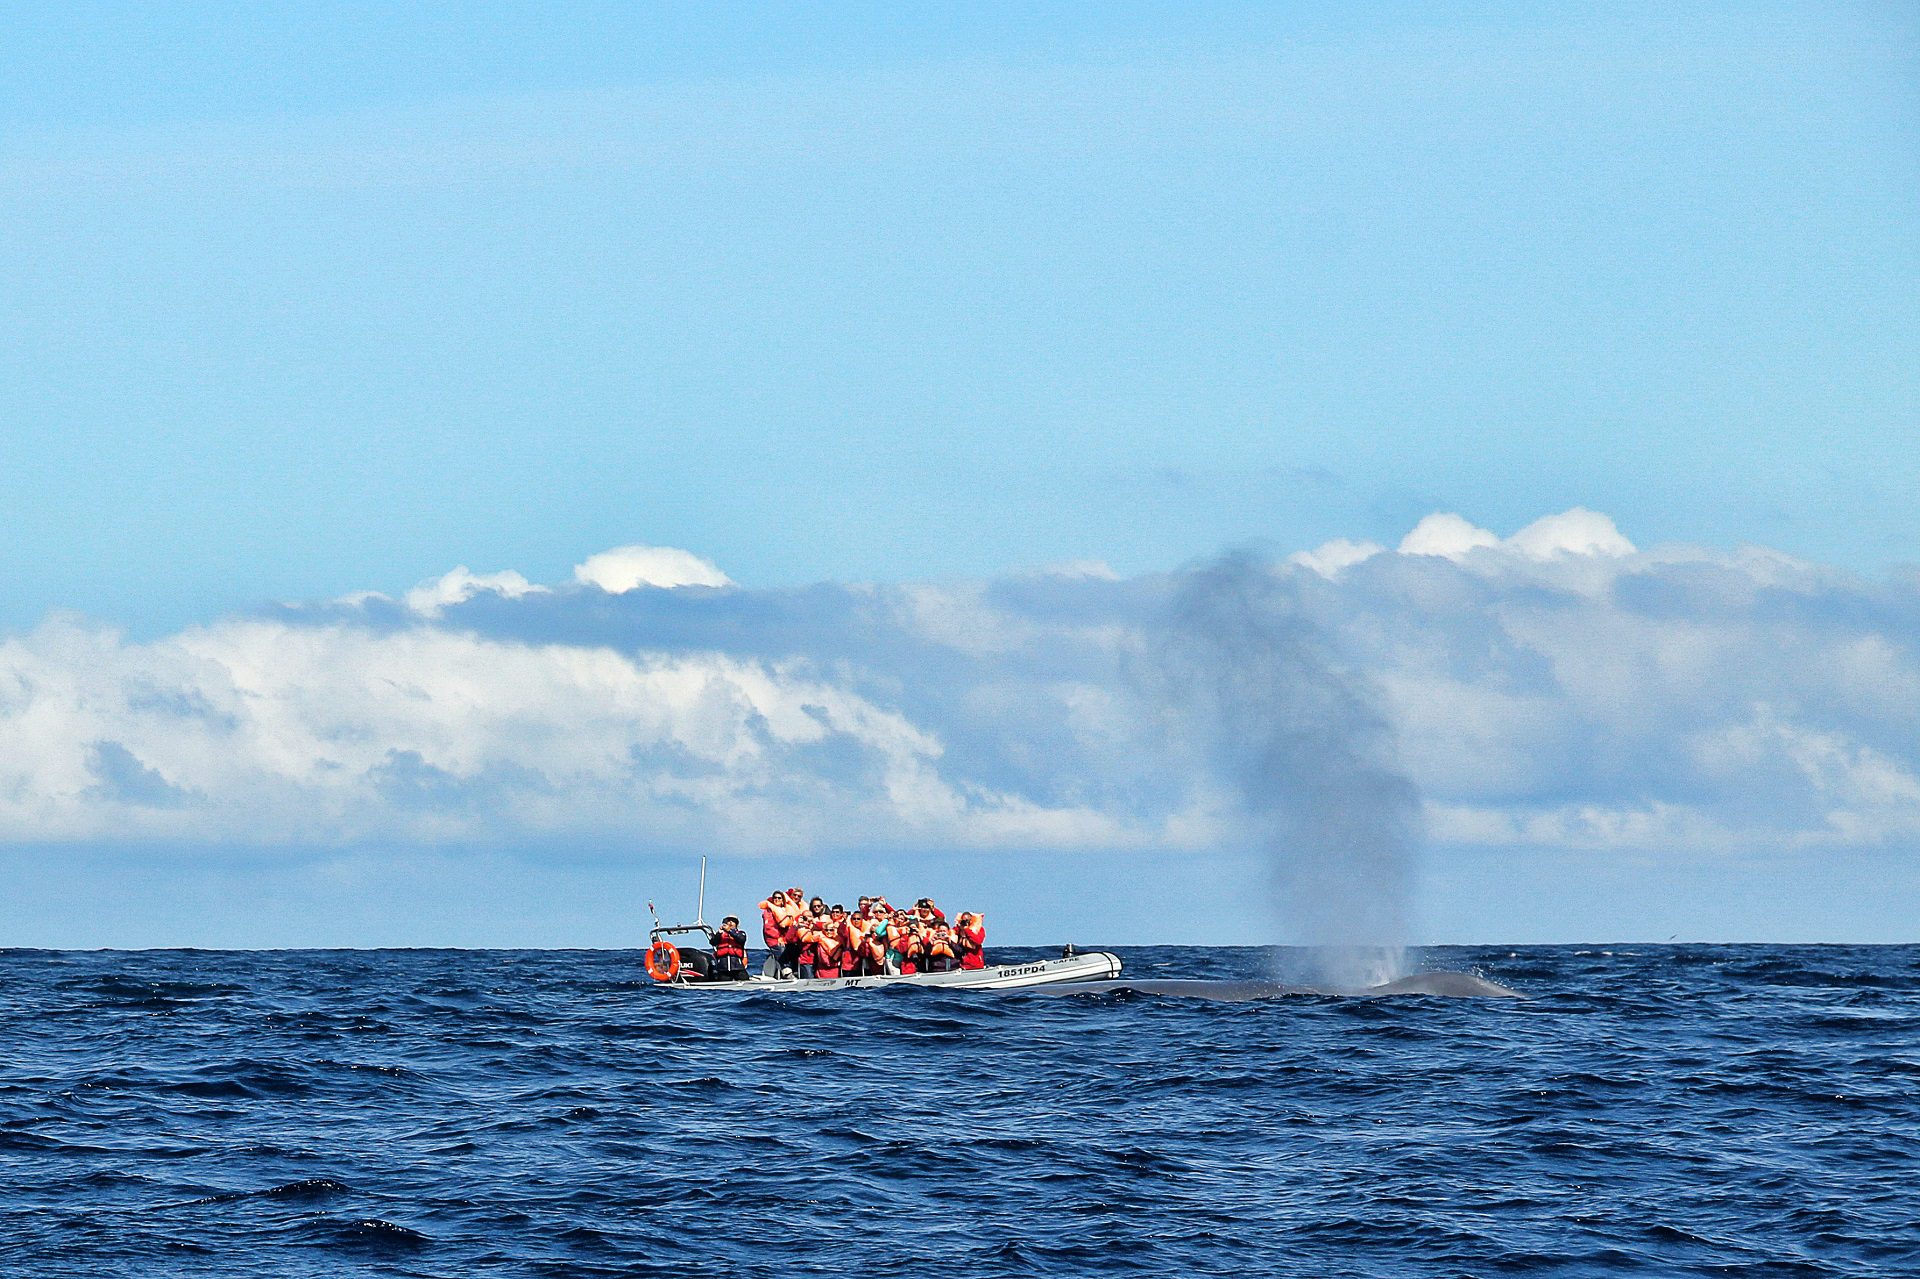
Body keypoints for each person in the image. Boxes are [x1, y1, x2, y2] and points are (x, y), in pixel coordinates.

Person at [710, 916, 750, 981]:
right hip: (723, 967)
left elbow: (741, 939)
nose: (730, 922)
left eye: (733, 921)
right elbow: (713, 942)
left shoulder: (741, 933)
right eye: (728, 921)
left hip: (737, 966)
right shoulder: (720, 935)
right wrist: (719, 933)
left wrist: (729, 931)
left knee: (744, 979)